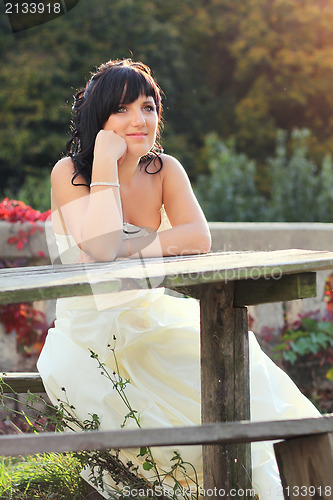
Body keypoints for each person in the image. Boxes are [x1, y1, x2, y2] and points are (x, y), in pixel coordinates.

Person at [37, 59, 321, 500]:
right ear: (100, 120)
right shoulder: (69, 172)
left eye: (148, 107)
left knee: (249, 376)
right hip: (89, 335)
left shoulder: (164, 169)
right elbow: (101, 246)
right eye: (123, 109)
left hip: (151, 317)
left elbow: (197, 236)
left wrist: (136, 245)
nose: (139, 120)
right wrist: (107, 164)